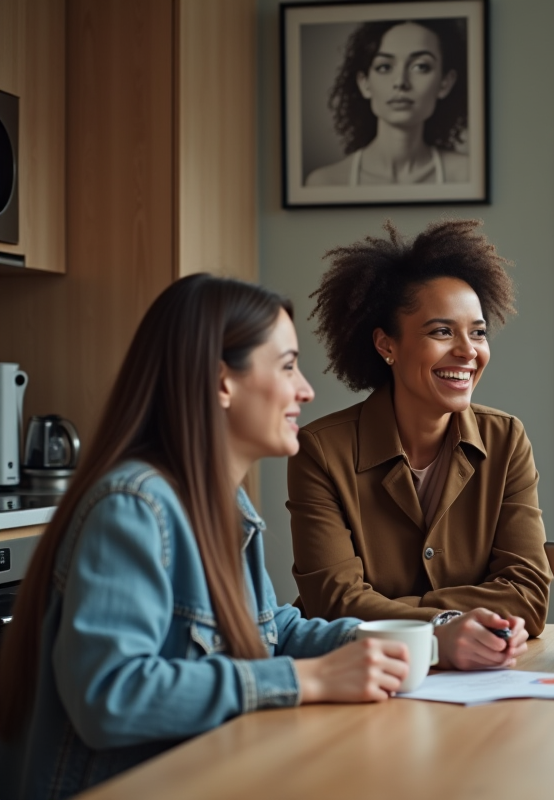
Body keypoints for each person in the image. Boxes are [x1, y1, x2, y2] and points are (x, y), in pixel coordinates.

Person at [0, 275, 425, 799]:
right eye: (288, 366)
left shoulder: (223, 504)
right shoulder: (134, 508)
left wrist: (413, 640)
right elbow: (110, 695)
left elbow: (273, 632)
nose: (306, 390)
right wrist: (307, 681)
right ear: (222, 382)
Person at [288, 218, 551, 668]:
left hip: (480, 680)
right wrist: (444, 627)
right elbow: (332, 602)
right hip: (358, 677)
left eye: (479, 331)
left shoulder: (506, 440)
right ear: (386, 345)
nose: (468, 351)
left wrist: (396, 609)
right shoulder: (319, 450)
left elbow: (527, 594)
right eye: (442, 331)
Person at [306, 19, 469, 187]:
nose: (400, 82)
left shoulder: (467, 175)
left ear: (445, 83)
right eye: (384, 67)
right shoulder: (326, 182)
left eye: (421, 67)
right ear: (365, 84)